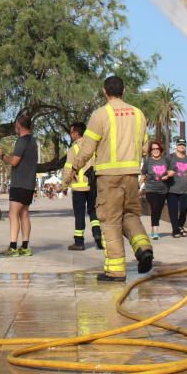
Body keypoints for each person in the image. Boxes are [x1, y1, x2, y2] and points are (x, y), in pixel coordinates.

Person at [69, 76, 153, 282]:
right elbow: (145, 146)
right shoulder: (138, 114)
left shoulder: (100, 115)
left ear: (104, 91)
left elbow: (87, 147)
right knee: (131, 215)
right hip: (132, 175)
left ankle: (115, 270)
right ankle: (143, 248)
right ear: (124, 90)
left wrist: (75, 166)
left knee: (110, 221)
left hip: (108, 177)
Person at [0, 114, 38, 257]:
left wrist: (1, 156)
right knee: (24, 214)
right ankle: (25, 247)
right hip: (29, 183)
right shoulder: (33, 141)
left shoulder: (22, 141)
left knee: (13, 214)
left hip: (20, 183)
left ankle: (13, 247)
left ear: (19, 125)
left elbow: (14, 161)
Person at [61, 122, 103, 251]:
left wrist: (64, 185)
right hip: (93, 185)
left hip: (79, 187)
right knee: (93, 212)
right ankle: (98, 237)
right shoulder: (94, 146)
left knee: (79, 214)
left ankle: (79, 242)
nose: (70, 135)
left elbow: (68, 168)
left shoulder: (74, 149)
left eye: (71, 132)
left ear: (75, 133)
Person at [141, 141, 173, 240]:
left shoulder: (165, 160)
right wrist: (137, 187)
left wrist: (167, 176)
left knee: (158, 209)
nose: (155, 151)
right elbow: (143, 175)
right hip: (150, 189)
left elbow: (172, 171)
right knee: (154, 208)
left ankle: (153, 227)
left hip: (163, 189)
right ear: (151, 151)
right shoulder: (148, 161)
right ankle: (155, 231)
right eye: (153, 149)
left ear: (160, 150)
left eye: (157, 149)